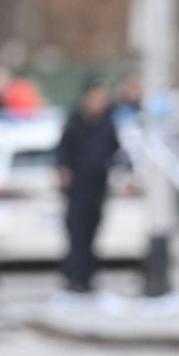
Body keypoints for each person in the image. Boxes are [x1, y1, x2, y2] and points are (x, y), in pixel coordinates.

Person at [56, 78, 120, 293]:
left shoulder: (108, 122)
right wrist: (64, 170)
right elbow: (63, 149)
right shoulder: (75, 122)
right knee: (77, 232)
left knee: (93, 231)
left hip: (98, 185)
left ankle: (88, 276)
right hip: (78, 187)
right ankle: (75, 275)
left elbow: (115, 151)